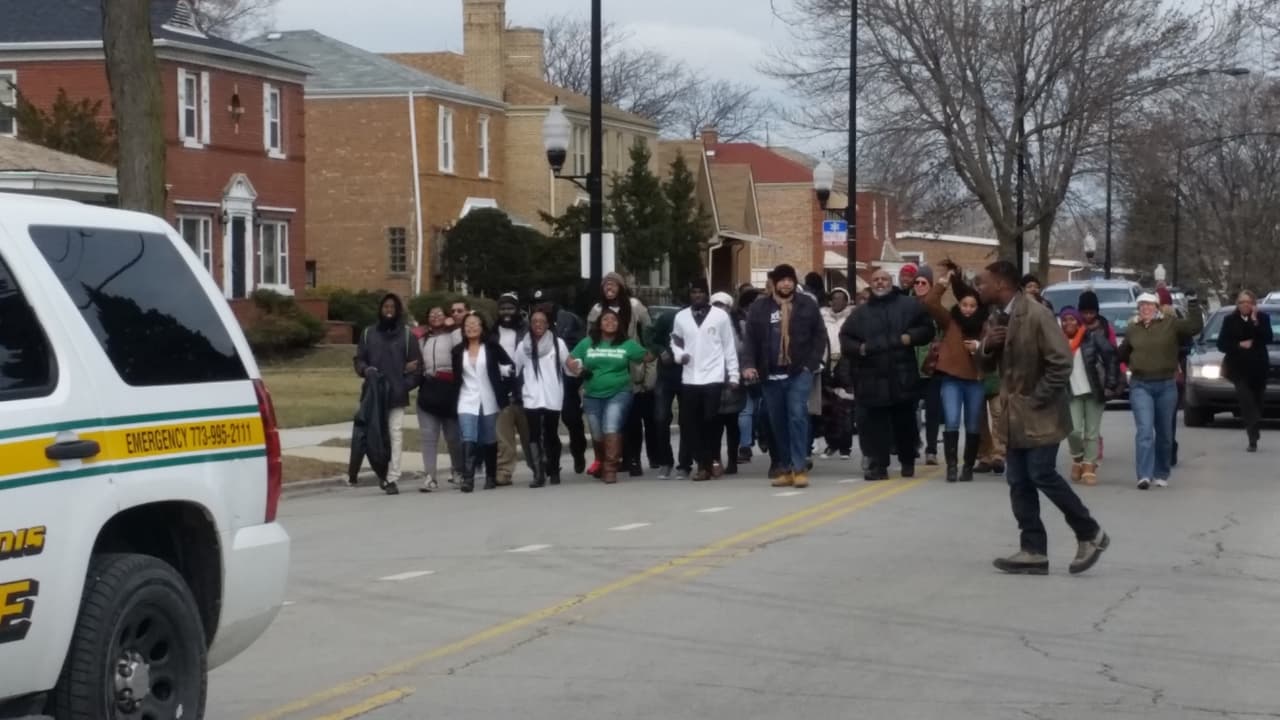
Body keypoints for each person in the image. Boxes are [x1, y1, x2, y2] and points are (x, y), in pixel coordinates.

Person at [978, 260, 1108, 575]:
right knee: (1018, 480)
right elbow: (986, 366)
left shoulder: (1037, 314)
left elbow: (1061, 362)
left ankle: (1090, 533)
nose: (979, 288)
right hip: (1014, 417)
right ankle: (1033, 550)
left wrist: (1037, 398)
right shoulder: (997, 317)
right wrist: (987, 347)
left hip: (1042, 414)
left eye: (983, 282)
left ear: (1001, 284)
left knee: (1041, 473)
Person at [840, 268, 935, 481]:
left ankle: (907, 460)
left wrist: (910, 338)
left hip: (902, 376)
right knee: (876, 427)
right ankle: (878, 466)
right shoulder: (860, 313)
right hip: (872, 378)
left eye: (884, 279)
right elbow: (846, 338)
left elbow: (927, 328)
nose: (880, 283)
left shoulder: (908, 305)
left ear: (891, 282)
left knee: (905, 423)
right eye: (876, 279)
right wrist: (860, 348)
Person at [742, 264, 826, 489]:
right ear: (774, 283)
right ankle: (786, 468)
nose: (786, 284)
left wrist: (810, 365)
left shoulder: (807, 304)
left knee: (797, 416)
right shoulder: (760, 307)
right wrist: (748, 365)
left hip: (799, 372)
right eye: (782, 280)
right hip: (770, 374)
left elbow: (820, 336)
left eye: (790, 279)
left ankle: (799, 468)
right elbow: (750, 340)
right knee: (777, 422)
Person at [1119, 291, 1203, 489]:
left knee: (1165, 433)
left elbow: (1194, 327)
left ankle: (1161, 472)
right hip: (1140, 385)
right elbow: (1123, 352)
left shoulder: (1170, 323)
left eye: (1149, 305)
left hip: (1166, 385)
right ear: (1138, 309)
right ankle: (1144, 475)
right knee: (1145, 430)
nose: (1146, 308)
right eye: (1142, 305)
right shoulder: (1132, 328)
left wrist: (1192, 302)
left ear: (1156, 307)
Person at [922, 268, 988, 482]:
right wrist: (943, 283)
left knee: (973, 424)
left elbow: (993, 349)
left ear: (978, 307)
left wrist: (978, 346)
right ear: (959, 305)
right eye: (964, 305)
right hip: (951, 379)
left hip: (975, 380)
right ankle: (952, 466)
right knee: (951, 420)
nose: (967, 309)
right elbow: (930, 303)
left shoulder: (984, 325)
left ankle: (967, 466)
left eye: (972, 306)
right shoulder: (950, 321)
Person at [670, 279, 740, 481]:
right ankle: (703, 460)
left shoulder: (720, 316)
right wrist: (679, 355)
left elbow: (729, 346)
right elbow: (675, 341)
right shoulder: (681, 317)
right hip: (690, 377)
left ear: (707, 294)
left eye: (701, 292)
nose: (697, 295)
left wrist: (733, 374)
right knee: (689, 423)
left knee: (710, 421)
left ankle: (707, 463)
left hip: (713, 376)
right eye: (694, 292)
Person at [354, 294, 423, 495]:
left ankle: (392, 477)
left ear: (398, 310)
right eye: (386, 306)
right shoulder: (368, 333)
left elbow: (417, 369)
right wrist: (365, 370)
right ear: (380, 309)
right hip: (373, 395)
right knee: (374, 436)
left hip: (396, 395)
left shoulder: (408, 336)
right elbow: (359, 360)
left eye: (393, 307)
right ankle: (380, 472)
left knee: (395, 434)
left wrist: (403, 386)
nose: (389, 310)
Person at [570, 308, 648, 484]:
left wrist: (655, 342)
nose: (610, 322)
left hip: (619, 392)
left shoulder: (627, 344)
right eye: (606, 319)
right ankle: (601, 460)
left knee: (611, 426)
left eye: (614, 319)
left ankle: (610, 468)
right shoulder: (588, 343)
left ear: (619, 324)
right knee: (597, 433)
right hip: (591, 394)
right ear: (599, 323)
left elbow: (647, 356)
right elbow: (571, 359)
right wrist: (577, 368)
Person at [587, 272, 654, 477]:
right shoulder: (597, 310)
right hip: (605, 369)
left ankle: (633, 459)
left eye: (613, 284)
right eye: (606, 284)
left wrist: (649, 375)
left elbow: (648, 337)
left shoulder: (635, 306)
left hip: (632, 369)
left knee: (632, 420)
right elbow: (589, 339)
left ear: (621, 287)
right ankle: (614, 459)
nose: (609, 288)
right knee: (612, 421)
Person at [452, 313, 515, 493]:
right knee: (468, 436)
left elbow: (510, 367)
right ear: (463, 329)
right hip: (466, 398)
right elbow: (456, 378)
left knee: (489, 439)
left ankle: (490, 476)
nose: (471, 327)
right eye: (467, 325)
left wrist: (504, 388)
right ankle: (468, 479)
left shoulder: (492, 347)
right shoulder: (457, 351)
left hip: (489, 397)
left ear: (482, 327)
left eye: (475, 324)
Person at [514, 306, 575, 488]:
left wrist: (578, 367)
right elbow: (515, 369)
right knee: (533, 434)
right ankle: (538, 473)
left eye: (542, 322)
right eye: (534, 321)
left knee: (551, 433)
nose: (538, 324)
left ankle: (554, 469)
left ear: (548, 324)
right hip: (531, 395)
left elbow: (569, 366)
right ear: (530, 324)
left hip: (551, 395)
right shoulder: (523, 346)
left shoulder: (558, 344)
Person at [532, 289, 589, 473]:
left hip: (566, 381)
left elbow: (580, 347)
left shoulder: (569, 319)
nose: (541, 306)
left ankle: (578, 451)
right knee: (548, 425)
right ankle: (552, 463)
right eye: (538, 303)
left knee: (572, 419)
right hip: (545, 383)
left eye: (544, 302)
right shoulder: (534, 322)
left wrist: (576, 373)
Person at [1061, 306, 1119, 486]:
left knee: (1091, 433)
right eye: (1065, 320)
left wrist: (1110, 384)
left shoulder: (1093, 337)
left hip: (1094, 391)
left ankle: (1089, 466)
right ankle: (1078, 458)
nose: (1068, 323)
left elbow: (1111, 357)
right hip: (1071, 393)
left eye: (1072, 319)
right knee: (1073, 431)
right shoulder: (1058, 342)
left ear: (1078, 322)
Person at [416, 306, 463, 493]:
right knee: (428, 436)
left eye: (439, 314)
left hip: (449, 390)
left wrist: (454, 327)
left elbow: (461, 349)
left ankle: (458, 471)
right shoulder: (423, 339)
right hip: (428, 388)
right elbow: (418, 362)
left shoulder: (454, 335)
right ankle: (430, 476)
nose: (435, 316)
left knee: (453, 436)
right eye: (432, 314)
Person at [1218, 291, 1272, 452]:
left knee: (1257, 402)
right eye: (1242, 302)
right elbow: (1221, 344)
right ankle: (1252, 438)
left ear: (1254, 304)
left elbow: (1267, 338)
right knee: (1246, 401)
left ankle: (1255, 425)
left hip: (1258, 368)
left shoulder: (1262, 318)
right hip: (1238, 369)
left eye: (1248, 302)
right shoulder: (1229, 320)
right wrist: (1239, 345)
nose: (1245, 305)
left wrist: (1255, 321)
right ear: (1238, 304)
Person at [494, 292, 531, 487]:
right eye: (502, 309)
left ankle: (538, 466)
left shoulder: (528, 331)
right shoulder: (492, 332)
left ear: (517, 310)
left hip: (525, 388)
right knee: (503, 437)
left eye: (510, 308)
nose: (506, 312)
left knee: (530, 435)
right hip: (501, 390)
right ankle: (504, 471)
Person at [711, 292, 749, 474]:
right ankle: (715, 460)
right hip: (713, 381)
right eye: (716, 305)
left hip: (734, 380)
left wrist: (741, 373)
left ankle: (732, 460)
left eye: (723, 305)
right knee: (715, 425)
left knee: (732, 423)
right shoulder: (707, 325)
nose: (720, 309)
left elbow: (746, 350)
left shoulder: (740, 326)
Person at [912, 266, 943, 465]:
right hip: (910, 366)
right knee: (910, 410)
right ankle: (914, 444)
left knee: (933, 410)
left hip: (932, 367)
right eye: (917, 282)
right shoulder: (907, 306)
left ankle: (931, 449)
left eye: (924, 282)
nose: (919, 285)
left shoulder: (936, 308)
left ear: (931, 285)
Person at [820, 287, 855, 458]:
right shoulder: (822, 318)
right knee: (828, 408)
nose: (837, 301)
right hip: (826, 365)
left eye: (841, 298)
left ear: (846, 301)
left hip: (846, 364)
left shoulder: (852, 318)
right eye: (834, 298)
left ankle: (845, 447)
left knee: (845, 408)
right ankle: (831, 443)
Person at [736, 288, 763, 466]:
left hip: (760, 369)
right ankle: (745, 445)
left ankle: (751, 440)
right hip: (749, 368)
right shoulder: (744, 323)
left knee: (754, 408)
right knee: (748, 409)